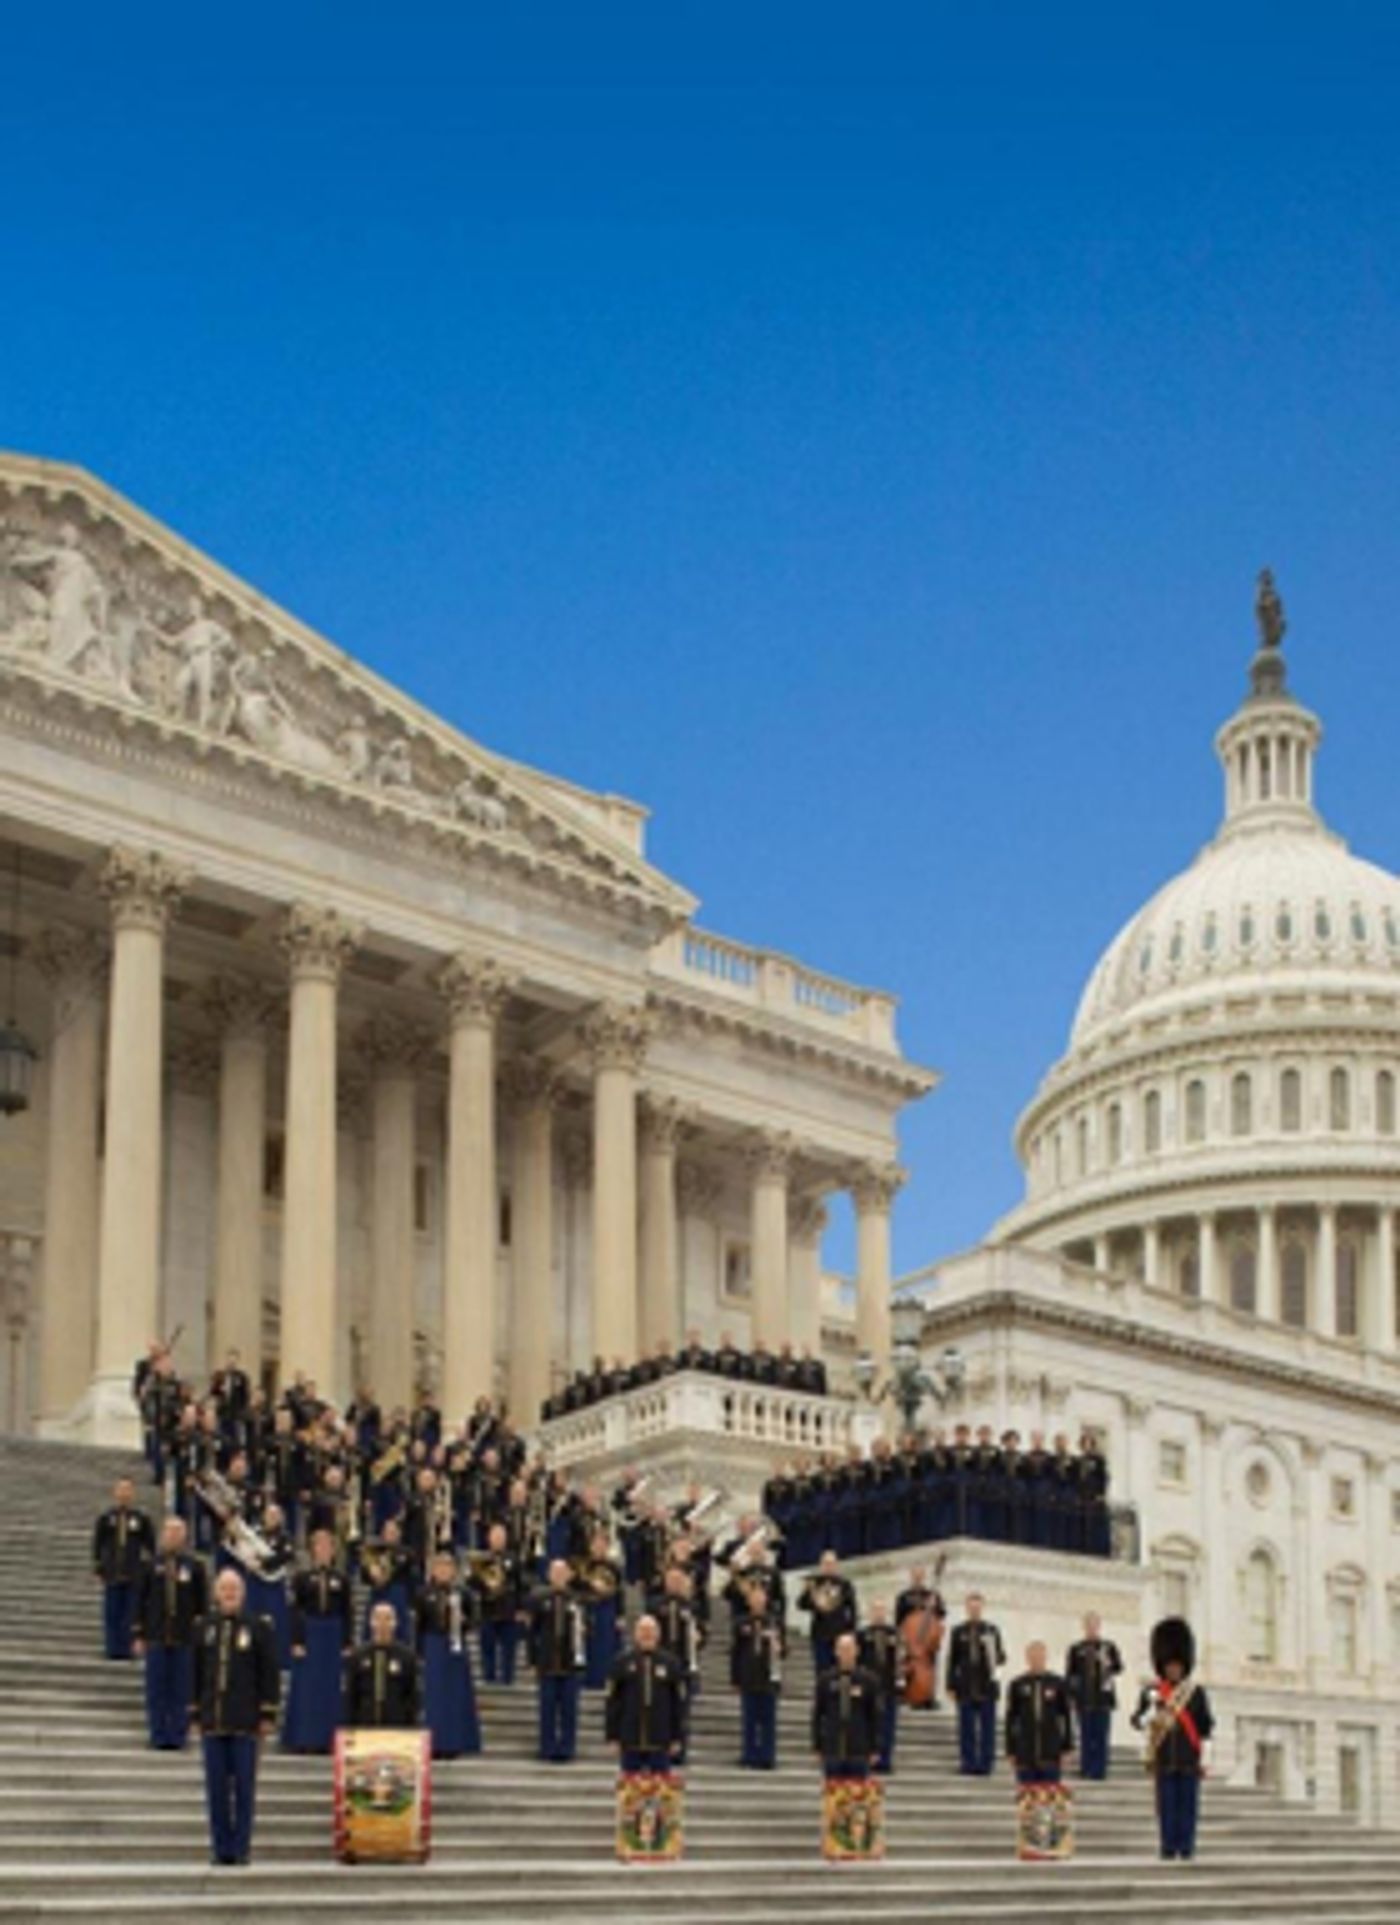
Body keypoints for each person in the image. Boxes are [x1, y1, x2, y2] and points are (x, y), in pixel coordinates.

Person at [191, 1568, 280, 1867]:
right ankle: (220, 1847)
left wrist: (267, 1712)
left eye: (234, 1589)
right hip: (213, 1719)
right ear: (216, 1593)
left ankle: (240, 1847)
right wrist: (194, 1712)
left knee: (244, 1789)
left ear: (243, 1593)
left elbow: (269, 1673)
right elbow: (196, 1672)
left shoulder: (257, 1628)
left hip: (245, 1721)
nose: (229, 1594)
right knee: (216, 1789)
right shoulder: (204, 1627)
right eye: (224, 1589)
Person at [1132, 1616, 1214, 1862]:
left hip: (1189, 1758)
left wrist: (1205, 1758)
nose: (1173, 1669)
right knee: (1166, 1808)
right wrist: (1151, 1709)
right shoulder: (1152, 1692)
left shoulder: (1195, 1693)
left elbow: (1205, 1726)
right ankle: (1168, 1847)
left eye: (1177, 1665)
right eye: (1169, 1665)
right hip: (1165, 1757)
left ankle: (1186, 1847)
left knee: (1187, 1808)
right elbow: (1137, 1721)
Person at [132, 1516, 207, 1749]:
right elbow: (139, 1601)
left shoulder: (195, 1567)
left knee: (181, 1688)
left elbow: (201, 1605)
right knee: (156, 1689)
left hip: (184, 1637)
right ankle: (158, 1733)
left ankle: (178, 1734)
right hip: (156, 1634)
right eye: (169, 1532)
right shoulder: (149, 1565)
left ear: (184, 1537)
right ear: (163, 1535)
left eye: (178, 1532)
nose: (173, 1536)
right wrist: (138, 1632)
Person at [281, 1529, 351, 1752]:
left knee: (330, 1688)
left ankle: (329, 1737)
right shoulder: (302, 1579)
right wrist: (296, 1640)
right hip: (310, 1634)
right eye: (318, 1546)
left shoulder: (342, 1580)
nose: (323, 1551)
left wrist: (347, 1642)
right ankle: (304, 1737)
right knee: (307, 1688)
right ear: (312, 1551)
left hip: (332, 1634)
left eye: (327, 1546)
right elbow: (295, 1611)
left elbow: (347, 1612)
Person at [416, 1549, 483, 1758]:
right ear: (433, 1570)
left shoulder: (463, 1594)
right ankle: (435, 1741)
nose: (443, 1570)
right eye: (439, 1566)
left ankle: (456, 1740)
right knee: (435, 1697)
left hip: (455, 1646)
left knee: (456, 1695)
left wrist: (465, 1622)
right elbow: (418, 1625)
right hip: (433, 1645)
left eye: (448, 1566)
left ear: (454, 1571)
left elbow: (475, 1621)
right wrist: (419, 1652)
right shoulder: (423, 1594)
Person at [605, 1615, 688, 1774]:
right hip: (630, 1737)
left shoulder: (671, 1663)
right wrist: (612, 1736)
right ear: (635, 1634)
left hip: (661, 1737)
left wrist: (677, 1737)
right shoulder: (621, 1662)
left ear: (658, 1634)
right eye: (643, 1630)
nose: (647, 1634)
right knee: (630, 1791)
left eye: (651, 1630)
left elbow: (678, 1703)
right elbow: (613, 1701)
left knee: (660, 1790)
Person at [528, 1558, 587, 1763]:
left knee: (569, 1709)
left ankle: (567, 1748)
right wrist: (533, 1660)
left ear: (570, 1575)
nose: (559, 1577)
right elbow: (532, 1633)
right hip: (547, 1661)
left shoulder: (578, 1599)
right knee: (547, 1708)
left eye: (563, 1573)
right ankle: (547, 1747)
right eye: (555, 1572)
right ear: (549, 1575)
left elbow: (588, 1628)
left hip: (571, 1662)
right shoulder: (539, 1598)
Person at [92, 1477, 155, 1660]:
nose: (124, 1494)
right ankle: (112, 1647)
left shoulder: (141, 1519)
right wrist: (98, 1565)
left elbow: (149, 1546)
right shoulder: (106, 1518)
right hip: (112, 1571)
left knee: (130, 1612)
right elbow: (98, 1543)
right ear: (115, 1493)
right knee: (112, 1611)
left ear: (133, 1494)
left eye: (128, 1490)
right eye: (121, 1489)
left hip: (134, 1572)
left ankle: (127, 1647)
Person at [946, 1592, 1005, 1776]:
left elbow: (1001, 1658)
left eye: (977, 1607)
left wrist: (996, 1656)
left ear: (982, 1608)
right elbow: (952, 1660)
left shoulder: (991, 1630)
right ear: (967, 1608)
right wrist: (950, 1685)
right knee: (966, 1728)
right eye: (971, 1607)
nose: (974, 1610)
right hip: (965, 1687)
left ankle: (986, 1763)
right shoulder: (958, 1632)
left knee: (988, 1728)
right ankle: (968, 1762)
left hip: (986, 1687)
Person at [811, 1631, 882, 1782]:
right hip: (832, 1747)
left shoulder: (868, 1680)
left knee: (856, 1800)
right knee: (834, 1798)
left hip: (859, 1749)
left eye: (849, 1649)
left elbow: (875, 1716)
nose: (846, 1654)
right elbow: (818, 1714)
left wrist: (875, 1747)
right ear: (836, 1652)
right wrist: (817, 1745)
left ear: (857, 1651)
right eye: (842, 1649)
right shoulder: (826, 1680)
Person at [730, 1577, 784, 1770]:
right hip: (748, 1676)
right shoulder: (741, 1623)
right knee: (749, 1719)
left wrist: (779, 1646)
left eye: (761, 1598)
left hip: (769, 1676)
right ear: (748, 1601)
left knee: (768, 1719)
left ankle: (767, 1756)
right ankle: (749, 1754)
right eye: (754, 1598)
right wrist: (735, 1678)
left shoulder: (774, 1622)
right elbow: (735, 1651)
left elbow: (784, 1651)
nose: (758, 1601)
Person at [1005, 1640, 1075, 1785]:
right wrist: (1010, 1750)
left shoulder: (1058, 1683)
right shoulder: (1017, 1684)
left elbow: (1066, 1716)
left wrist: (1067, 1747)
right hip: (1025, 1752)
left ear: (1045, 1657)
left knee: (1049, 1799)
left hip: (1051, 1751)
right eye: (1033, 1656)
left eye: (1039, 1656)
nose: (1036, 1660)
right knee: (1027, 1801)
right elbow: (1011, 1719)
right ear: (1027, 1658)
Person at [1066, 1611, 1124, 1779]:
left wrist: (1108, 1662)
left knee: (1101, 1735)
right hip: (1083, 1699)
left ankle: (1099, 1770)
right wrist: (1071, 1696)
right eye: (1088, 1624)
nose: (1091, 1628)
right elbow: (1070, 1674)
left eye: (1094, 1624)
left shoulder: (1108, 1647)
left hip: (1103, 1699)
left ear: (1099, 1626)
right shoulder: (1076, 1649)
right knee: (1085, 1735)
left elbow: (1119, 1668)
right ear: (1084, 1627)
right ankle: (1086, 1768)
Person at [346, 1601, 420, 1727]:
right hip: (365, 1725)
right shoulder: (358, 1656)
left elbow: (412, 1696)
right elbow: (351, 1695)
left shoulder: (407, 1657)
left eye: (387, 1619)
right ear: (371, 1622)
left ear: (395, 1623)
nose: (382, 1624)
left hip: (397, 1725)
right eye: (378, 1618)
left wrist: (411, 1725)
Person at [470, 1522, 524, 1684]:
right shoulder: (480, 1560)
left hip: (508, 1611)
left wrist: (520, 1608)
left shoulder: (513, 1559)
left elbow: (521, 1585)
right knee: (487, 1648)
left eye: (501, 1537)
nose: (498, 1540)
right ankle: (489, 1678)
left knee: (509, 1650)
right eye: (495, 1537)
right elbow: (473, 1585)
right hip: (487, 1610)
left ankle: (508, 1679)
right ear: (489, 1539)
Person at [859, 1601, 902, 1775]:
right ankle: (868, 1758)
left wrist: (900, 1681)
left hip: (889, 1685)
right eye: (875, 1610)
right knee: (867, 1724)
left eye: (881, 1610)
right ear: (870, 1613)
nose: (878, 1613)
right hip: (868, 1687)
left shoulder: (895, 1634)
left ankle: (885, 1759)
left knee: (888, 1725)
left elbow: (901, 1660)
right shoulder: (862, 1634)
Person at [797, 1551, 857, 1676]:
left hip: (839, 1635)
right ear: (821, 1565)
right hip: (820, 1635)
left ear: (836, 1565)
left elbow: (852, 1609)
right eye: (825, 1563)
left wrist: (851, 1632)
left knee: (841, 1671)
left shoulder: (844, 1584)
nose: (828, 1566)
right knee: (822, 1672)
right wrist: (806, 1592)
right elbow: (801, 1605)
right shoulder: (814, 1583)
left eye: (831, 1563)